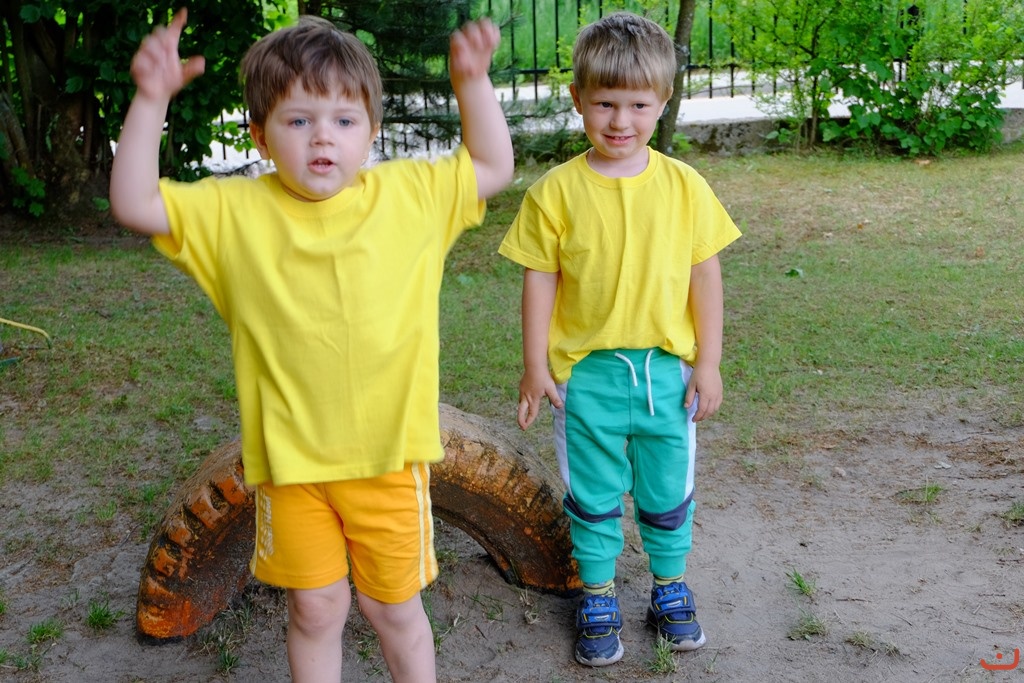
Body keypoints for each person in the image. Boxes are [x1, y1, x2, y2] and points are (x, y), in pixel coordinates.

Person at [110, 9, 512, 683]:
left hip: (389, 461)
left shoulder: (412, 197)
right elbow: (134, 203)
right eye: (298, 120)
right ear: (260, 134)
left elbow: (494, 165)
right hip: (291, 467)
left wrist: (472, 82)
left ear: (372, 130)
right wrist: (150, 99)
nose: (323, 136)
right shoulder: (234, 214)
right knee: (316, 609)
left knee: (394, 609)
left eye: (344, 120)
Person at [498, 11, 740, 668]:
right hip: (587, 378)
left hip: (666, 375)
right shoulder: (554, 194)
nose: (620, 120)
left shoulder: (685, 187)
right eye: (605, 102)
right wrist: (534, 364)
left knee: (668, 489)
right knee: (593, 493)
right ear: (578, 98)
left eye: (637, 104)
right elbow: (539, 281)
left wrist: (709, 362)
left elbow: (705, 275)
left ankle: (670, 586)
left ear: (663, 102)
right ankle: (598, 593)